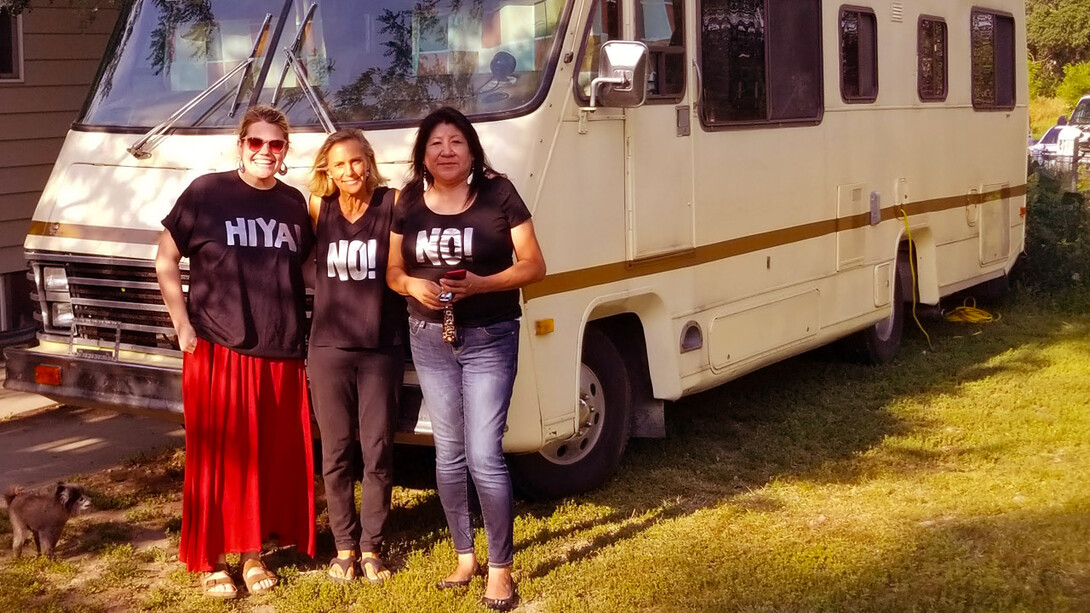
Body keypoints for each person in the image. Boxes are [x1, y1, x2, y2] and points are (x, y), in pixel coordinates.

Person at [387, 106, 546, 612]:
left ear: (473, 150)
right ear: (423, 154)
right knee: (448, 451)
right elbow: (393, 270)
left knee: (484, 453)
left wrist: (481, 284)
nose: (447, 151)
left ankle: (500, 569)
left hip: (491, 335)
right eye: (436, 144)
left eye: (456, 142)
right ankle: (464, 556)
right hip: (428, 335)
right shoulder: (408, 200)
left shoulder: (499, 194)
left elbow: (534, 266)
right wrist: (412, 283)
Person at [155, 105, 316, 599]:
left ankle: (252, 554)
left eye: (276, 145)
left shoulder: (294, 203)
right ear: (240, 145)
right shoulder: (208, 191)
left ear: (285, 152)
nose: (265, 152)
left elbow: (306, 272)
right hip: (218, 346)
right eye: (256, 143)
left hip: (280, 347)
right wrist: (181, 325)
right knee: (219, 456)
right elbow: (165, 259)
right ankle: (213, 560)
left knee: (266, 458)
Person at [306, 129, 406, 584]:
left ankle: (372, 546)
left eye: (356, 161)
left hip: (380, 347)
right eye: (339, 164)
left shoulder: (393, 203)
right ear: (328, 169)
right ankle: (343, 545)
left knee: (378, 449)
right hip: (328, 349)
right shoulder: (317, 208)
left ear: (369, 161)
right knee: (337, 451)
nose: (349, 171)